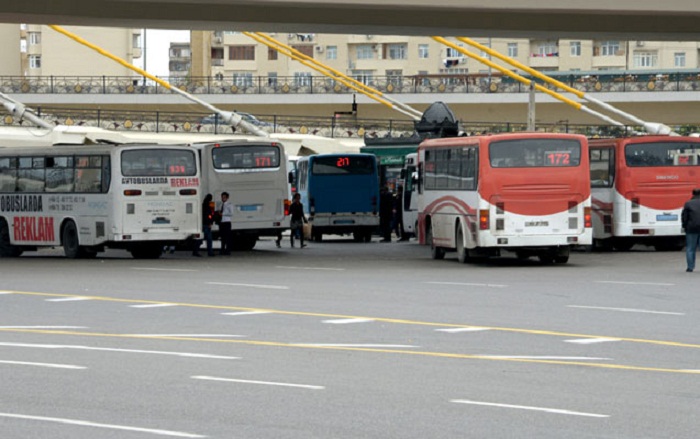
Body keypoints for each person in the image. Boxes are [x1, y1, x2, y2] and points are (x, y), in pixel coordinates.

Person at [681, 187, 700, 272]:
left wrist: (684, 226)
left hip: (691, 228)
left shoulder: (688, 204)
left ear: (693, 194)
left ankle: (690, 267)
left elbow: (684, 217)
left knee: (690, 248)